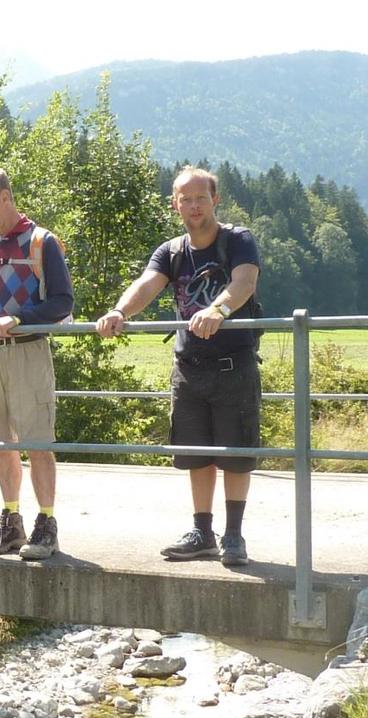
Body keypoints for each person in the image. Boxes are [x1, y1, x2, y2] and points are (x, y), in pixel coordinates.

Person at [96, 166, 261, 567]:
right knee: (196, 453)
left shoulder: (236, 240)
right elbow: (147, 284)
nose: (193, 206)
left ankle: (233, 535)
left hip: (233, 363)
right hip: (189, 367)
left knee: (235, 452)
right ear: (175, 204)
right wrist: (119, 311)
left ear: (214, 200)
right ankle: (202, 532)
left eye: (200, 198)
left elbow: (245, 282)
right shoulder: (171, 251)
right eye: (185, 200)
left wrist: (218, 308)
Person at [0, 167, 74, 561]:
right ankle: (10, 521)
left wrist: (19, 318)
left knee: (37, 441)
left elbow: (62, 302)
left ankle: (47, 523)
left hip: (27, 352)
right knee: (1, 444)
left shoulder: (42, 242)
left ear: (6, 197)